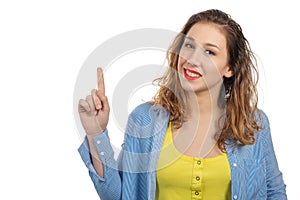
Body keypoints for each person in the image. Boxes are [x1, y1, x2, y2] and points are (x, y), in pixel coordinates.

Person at [77, 9, 287, 200]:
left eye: (209, 52)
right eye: (189, 45)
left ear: (229, 68)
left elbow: (274, 192)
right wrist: (95, 132)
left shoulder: (253, 124)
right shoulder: (145, 119)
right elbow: (119, 195)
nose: (193, 59)